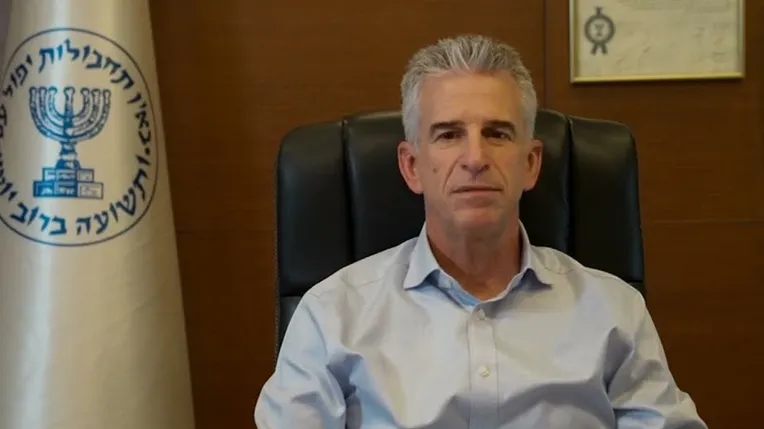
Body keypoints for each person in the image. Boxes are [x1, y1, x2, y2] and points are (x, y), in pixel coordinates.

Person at [254, 34, 708, 428]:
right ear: (411, 166)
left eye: (497, 133)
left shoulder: (614, 311)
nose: (475, 158)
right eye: (448, 134)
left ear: (531, 163)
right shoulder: (331, 316)